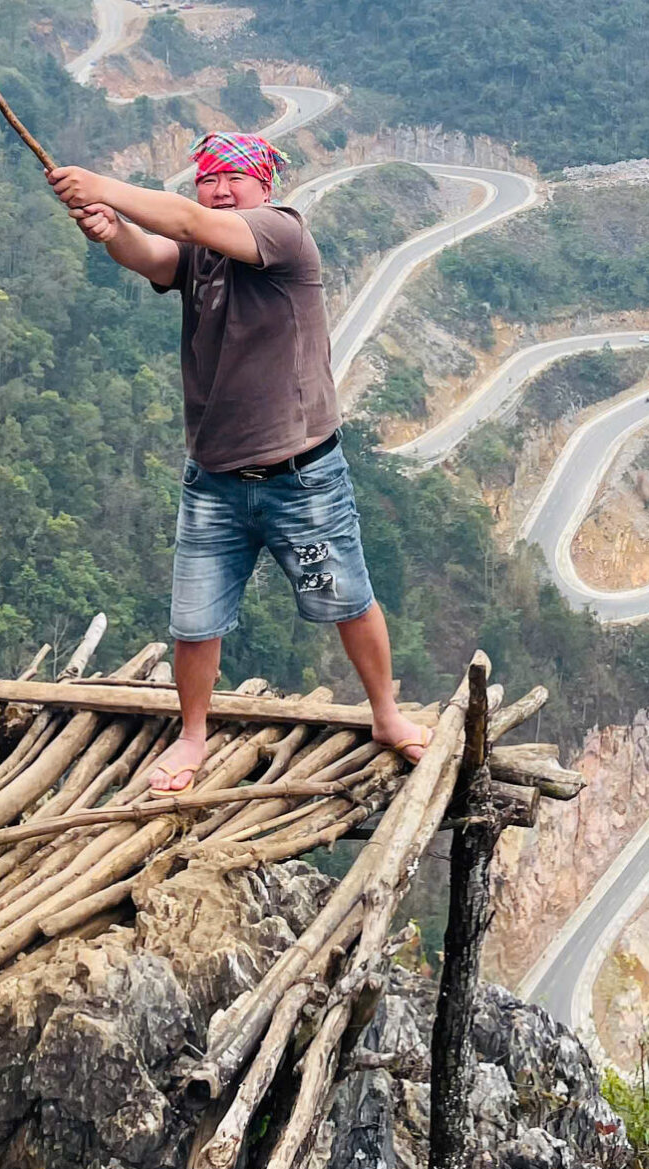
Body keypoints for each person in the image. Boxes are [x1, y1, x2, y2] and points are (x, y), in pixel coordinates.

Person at [46, 132, 426, 792]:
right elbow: (155, 255)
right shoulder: (202, 253)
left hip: (300, 479)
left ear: (264, 186)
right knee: (195, 623)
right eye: (209, 179)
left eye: (234, 179)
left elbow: (188, 223)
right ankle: (192, 736)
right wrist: (112, 231)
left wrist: (103, 186)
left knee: (345, 599)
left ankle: (386, 715)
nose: (220, 190)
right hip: (215, 480)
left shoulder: (281, 233)